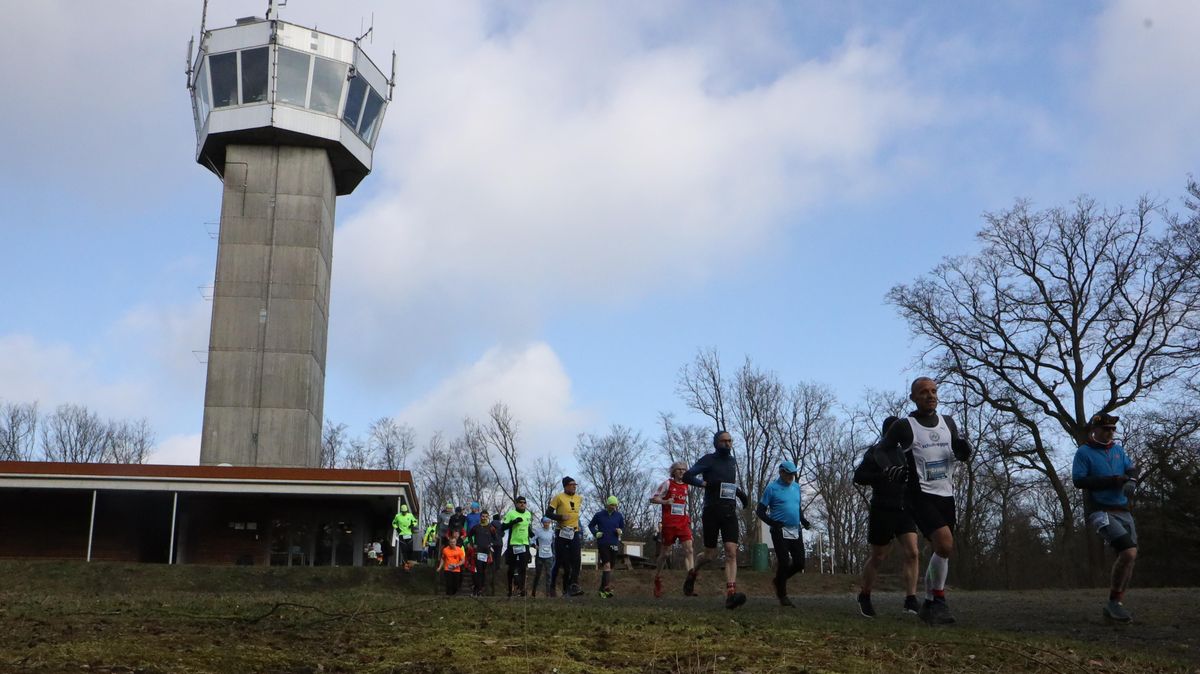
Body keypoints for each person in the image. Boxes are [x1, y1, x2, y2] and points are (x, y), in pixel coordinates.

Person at [872, 377, 971, 625]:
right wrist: (890, 469)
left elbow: (956, 450)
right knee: (945, 544)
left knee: (943, 550)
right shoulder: (905, 426)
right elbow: (881, 451)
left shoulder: (948, 422)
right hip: (918, 494)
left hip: (945, 493)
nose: (930, 395)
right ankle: (938, 600)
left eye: (934, 391)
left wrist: (963, 450)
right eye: (924, 392)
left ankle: (929, 603)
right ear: (913, 397)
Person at [1072, 412, 1140, 623]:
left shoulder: (1118, 450)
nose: (1110, 433)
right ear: (1095, 430)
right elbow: (1079, 481)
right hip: (1100, 511)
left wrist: (1132, 480)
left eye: (1112, 429)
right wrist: (1113, 481)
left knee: (1131, 558)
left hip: (1123, 510)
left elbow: (1131, 468)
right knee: (1128, 553)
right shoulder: (1084, 453)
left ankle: (1115, 604)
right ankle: (1113, 604)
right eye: (1106, 429)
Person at [854, 416, 921, 617]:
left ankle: (911, 599)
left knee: (913, 553)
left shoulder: (906, 453)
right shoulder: (875, 452)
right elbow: (858, 477)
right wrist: (884, 475)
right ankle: (864, 595)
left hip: (904, 508)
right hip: (882, 509)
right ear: (887, 432)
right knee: (879, 556)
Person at [682, 430, 751, 609]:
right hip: (711, 511)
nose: (728, 444)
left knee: (731, 551)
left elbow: (726, 484)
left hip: (729, 511)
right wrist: (705, 484)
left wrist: (739, 494)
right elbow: (687, 476)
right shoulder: (708, 460)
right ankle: (693, 572)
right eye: (723, 441)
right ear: (716, 443)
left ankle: (731, 593)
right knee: (709, 555)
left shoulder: (732, 461)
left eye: (730, 441)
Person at [756, 461, 812, 607]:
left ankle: (778, 581)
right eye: (788, 474)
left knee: (799, 563)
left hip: (795, 530)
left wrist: (804, 520)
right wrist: (772, 522)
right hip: (779, 530)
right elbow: (760, 511)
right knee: (784, 561)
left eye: (793, 474)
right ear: (781, 472)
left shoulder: (796, 487)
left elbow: (797, 507)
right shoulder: (772, 488)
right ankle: (783, 595)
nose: (791, 477)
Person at [649, 461, 695, 598]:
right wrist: (665, 501)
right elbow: (652, 498)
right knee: (665, 554)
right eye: (679, 469)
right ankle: (657, 578)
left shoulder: (687, 485)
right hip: (669, 524)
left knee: (689, 550)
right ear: (673, 471)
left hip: (683, 523)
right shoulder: (667, 484)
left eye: (684, 469)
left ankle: (690, 582)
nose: (682, 472)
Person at [546, 476, 584, 596]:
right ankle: (552, 585)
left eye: (575, 485)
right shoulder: (558, 497)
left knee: (577, 559)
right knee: (562, 562)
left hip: (574, 532)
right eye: (572, 484)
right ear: (566, 486)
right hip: (561, 532)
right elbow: (548, 513)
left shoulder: (579, 498)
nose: (574, 486)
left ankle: (573, 585)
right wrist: (560, 517)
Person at [588, 496, 626, 598]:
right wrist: (596, 533)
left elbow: (622, 526)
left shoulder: (618, 516)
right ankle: (607, 589)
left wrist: (620, 531)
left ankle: (602, 590)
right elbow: (590, 525)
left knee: (611, 567)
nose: (613, 507)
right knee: (607, 565)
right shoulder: (599, 515)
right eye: (612, 505)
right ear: (607, 504)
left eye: (615, 505)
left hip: (614, 543)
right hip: (603, 542)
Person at [502, 496, 535, 597]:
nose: (522, 504)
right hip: (513, 544)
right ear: (516, 504)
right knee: (511, 568)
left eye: (524, 502)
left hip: (524, 544)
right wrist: (513, 522)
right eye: (520, 502)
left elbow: (528, 529)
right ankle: (509, 589)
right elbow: (503, 527)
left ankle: (521, 589)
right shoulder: (511, 513)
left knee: (523, 568)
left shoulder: (528, 514)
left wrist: (533, 538)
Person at [467, 510, 497, 597]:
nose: (484, 518)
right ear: (480, 517)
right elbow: (469, 535)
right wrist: (472, 544)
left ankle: (480, 589)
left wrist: (491, 544)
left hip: (486, 552)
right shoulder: (476, 527)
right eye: (482, 516)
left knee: (483, 571)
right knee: (478, 571)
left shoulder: (491, 528)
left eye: (485, 516)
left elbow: (495, 538)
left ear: (488, 517)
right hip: (478, 552)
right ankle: (477, 589)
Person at [530, 516, 556, 597]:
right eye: (545, 522)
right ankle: (533, 592)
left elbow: (554, 543)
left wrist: (554, 553)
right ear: (543, 523)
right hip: (540, 556)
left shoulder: (552, 532)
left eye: (548, 522)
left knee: (549, 574)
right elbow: (532, 540)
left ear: (550, 523)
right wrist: (535, 545)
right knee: (538, 574)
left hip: (549, 556)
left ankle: (548, 593)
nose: (547, 524)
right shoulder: (538, 531)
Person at [437, 530, 466, 596]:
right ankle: (448, 596)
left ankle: (453, 594)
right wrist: (439, 567)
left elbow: (463, 560)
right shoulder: (445, 550)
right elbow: (443, 559)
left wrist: (456, 565)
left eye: (453, 542)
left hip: (456, 569)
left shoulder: (460, 550)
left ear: (456, 542)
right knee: (448, 584)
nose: (452, 543)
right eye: (451, 542)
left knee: (455, 585)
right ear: (449, 543)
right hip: (447, 569)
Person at [392, 503, 418, 569]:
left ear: (407, 511)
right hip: (401, 535)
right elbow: (394, 523)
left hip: (409, 534)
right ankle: (405, 564)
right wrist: (397, 528)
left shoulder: (410, 515)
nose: (404, 513)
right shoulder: (397, 516)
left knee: (409, 549)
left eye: (405, 512)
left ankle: (410, 563)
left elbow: (415, 521)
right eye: (403, 512)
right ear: (401, 511)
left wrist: (412, 525)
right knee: (403, 550)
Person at [489, 512, 505, 594]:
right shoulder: (501, 525)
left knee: (492, 556)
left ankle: (492, 566)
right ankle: (497, 567)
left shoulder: (491, 524)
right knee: (498, 556)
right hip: (499, 543)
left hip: (492, 543)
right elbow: (503, 534)